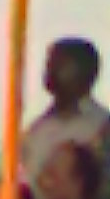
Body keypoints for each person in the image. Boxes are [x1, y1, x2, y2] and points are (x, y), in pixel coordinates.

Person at [24, 38, 108, 185]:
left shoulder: (102, 127)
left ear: (84, 71)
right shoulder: (36, 129)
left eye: (59, 63)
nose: (49, 69)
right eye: (49, 63)